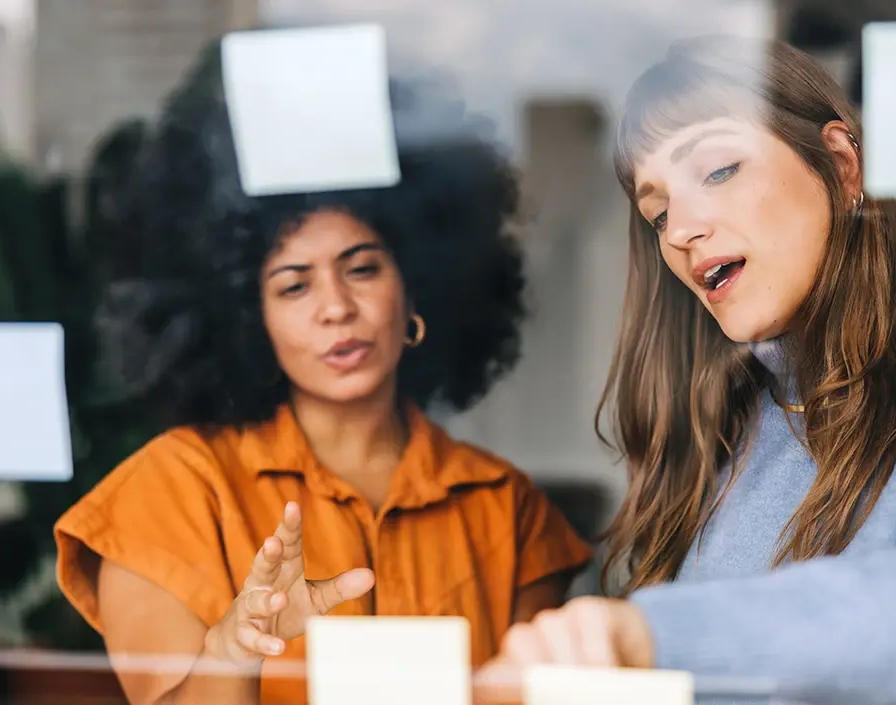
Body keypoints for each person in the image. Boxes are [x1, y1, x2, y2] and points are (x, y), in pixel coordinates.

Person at [473, 36, 896, 705]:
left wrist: (656, 636)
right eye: (659, 211)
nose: (679, 231)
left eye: (719, 169)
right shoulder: (712, 442)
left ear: (843, 165)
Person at [54, 45, 593, 705]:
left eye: (362, 267)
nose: (337, 307)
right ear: (246, 318)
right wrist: (233, 649)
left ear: (419, 288)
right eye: (293, 285)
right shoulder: (168, 495)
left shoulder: (505, 509)